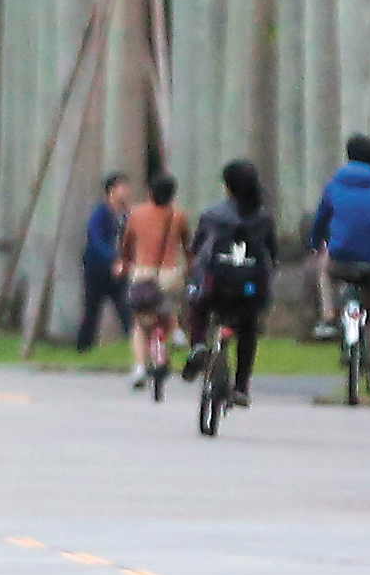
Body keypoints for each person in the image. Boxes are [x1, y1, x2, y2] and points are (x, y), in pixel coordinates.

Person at [308, 132, 370, 394]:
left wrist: (315, 242)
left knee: (324, 265)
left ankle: (328, 316)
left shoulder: (334, 186)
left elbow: (320, 222)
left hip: (341, 258)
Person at [182, 159, 280, 406]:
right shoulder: (263, 219)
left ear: (227, 187)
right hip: (248, 290)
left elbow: (196, 249)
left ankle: (197, 345)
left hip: (215, 285)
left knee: (197, 305)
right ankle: (241, 386)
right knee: (247, 329)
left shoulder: (212, 215)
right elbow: (273, 255)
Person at [118, 171, 188, 389]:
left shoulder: (136, 214)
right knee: (167, 309)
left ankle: (139, 366)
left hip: (143, 274)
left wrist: (124, 264)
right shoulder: (179, 216)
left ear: (149, 193)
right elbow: (188, 246)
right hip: (170, 274)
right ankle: (175, 332)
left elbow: (127, 245)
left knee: (139, 324)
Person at [73, 173, 133, 352]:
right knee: (91, 310)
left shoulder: (125, 215)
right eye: (122, 187)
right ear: (112, 190)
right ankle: (83, 348)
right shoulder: (100, 213)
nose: (126, 191)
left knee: (126, 308)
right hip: (97, 269)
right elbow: (96, 239)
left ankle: (134, 346)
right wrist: (113, 259)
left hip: (120, 270)